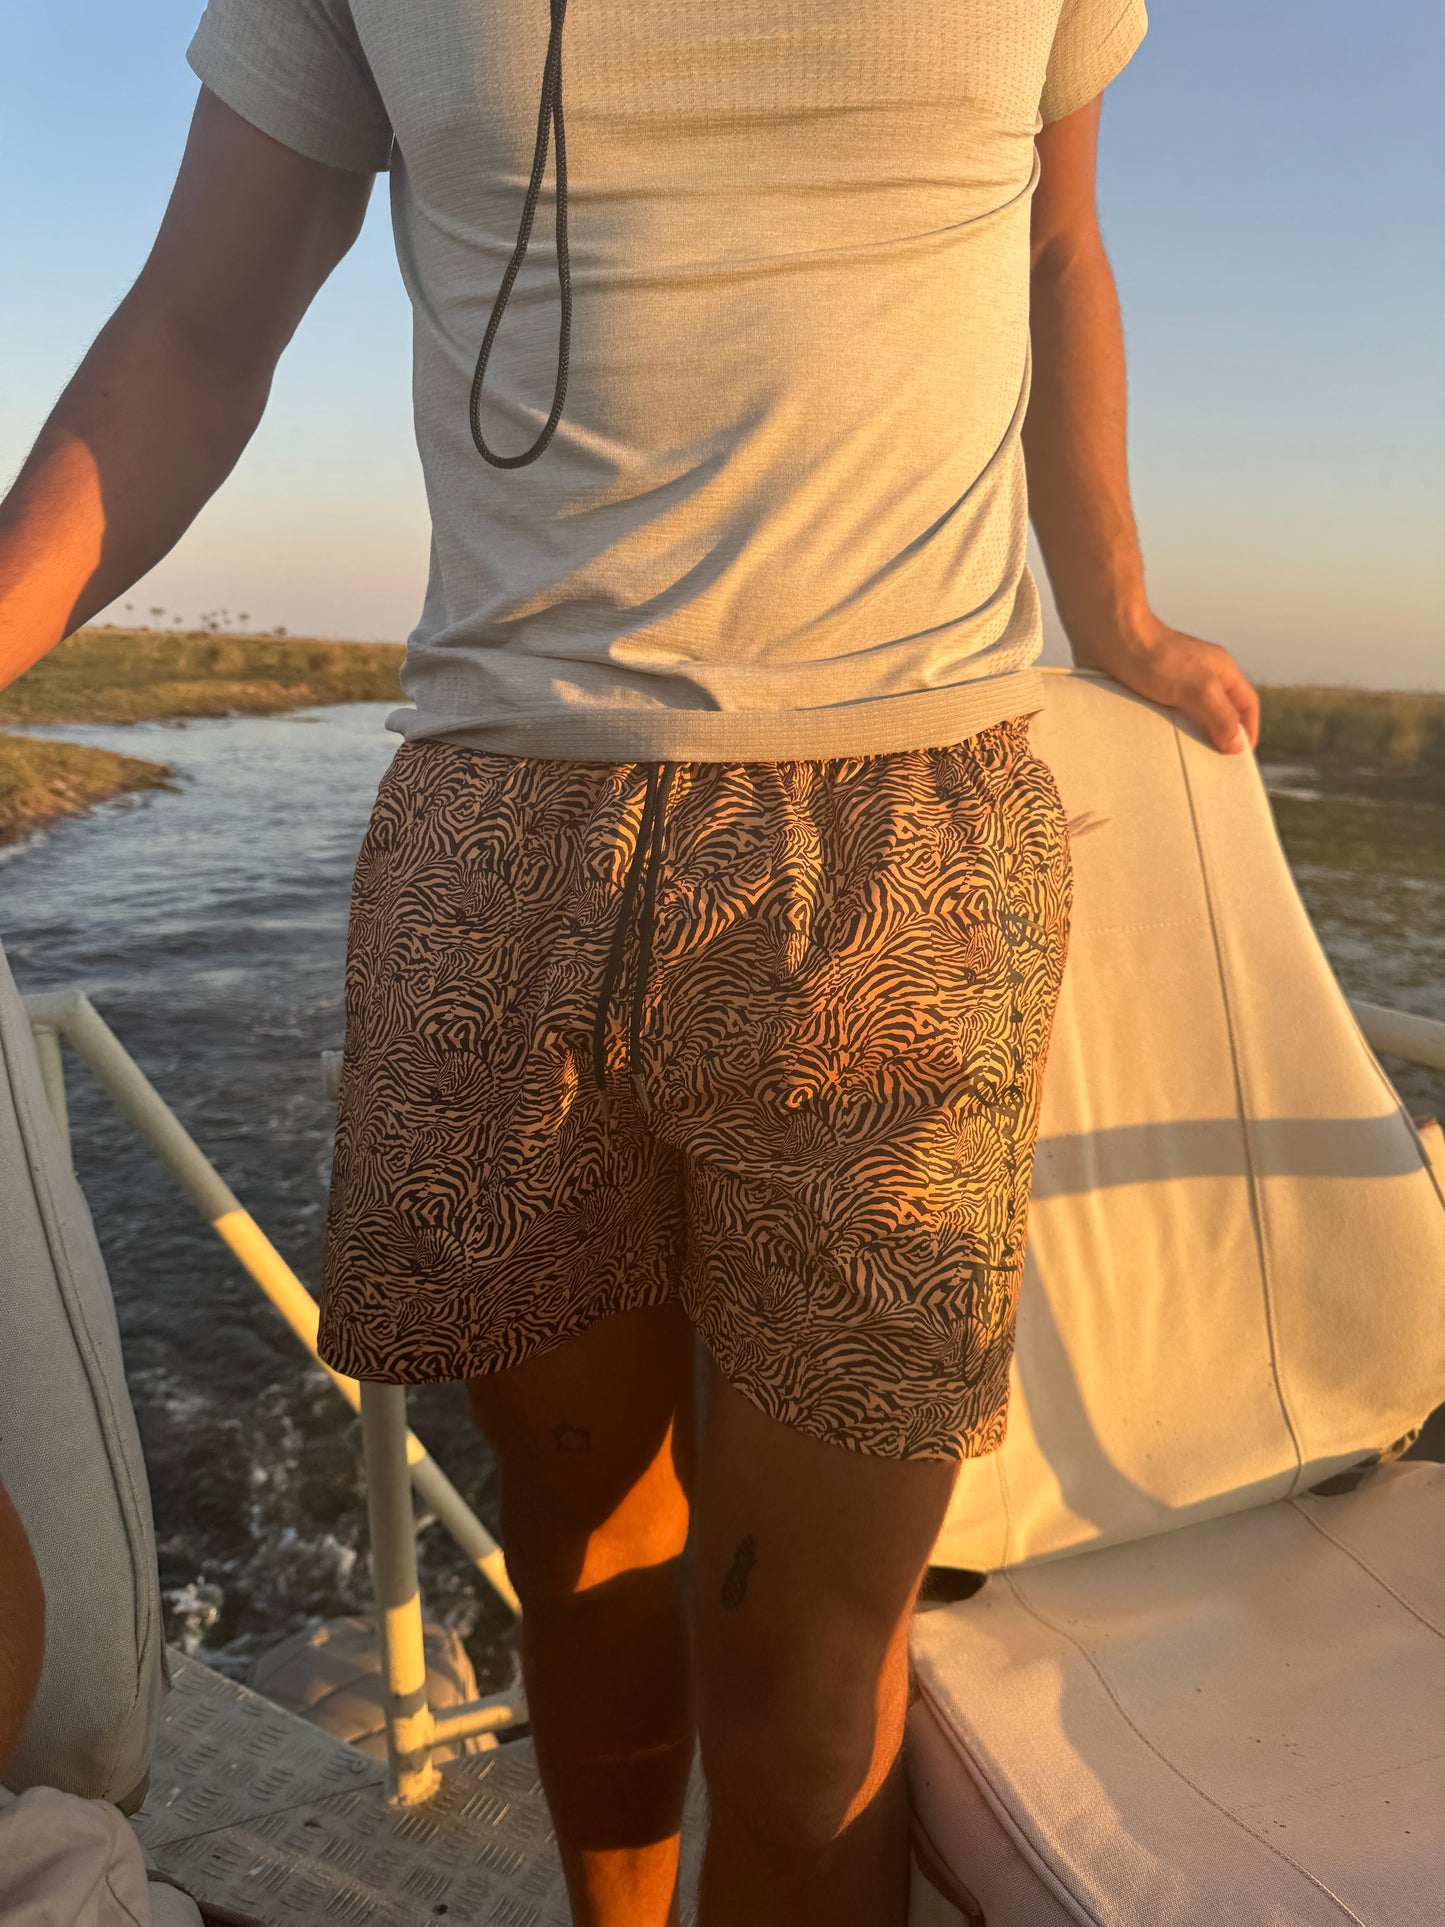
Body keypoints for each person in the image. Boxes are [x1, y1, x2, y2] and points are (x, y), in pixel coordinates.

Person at [0, 4, 1260, 1921]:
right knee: (581, 1544)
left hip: (902, 850)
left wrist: (1118, 611)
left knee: (810, 1673)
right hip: (505, 837)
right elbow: (197, 323)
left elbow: (1050, 235)